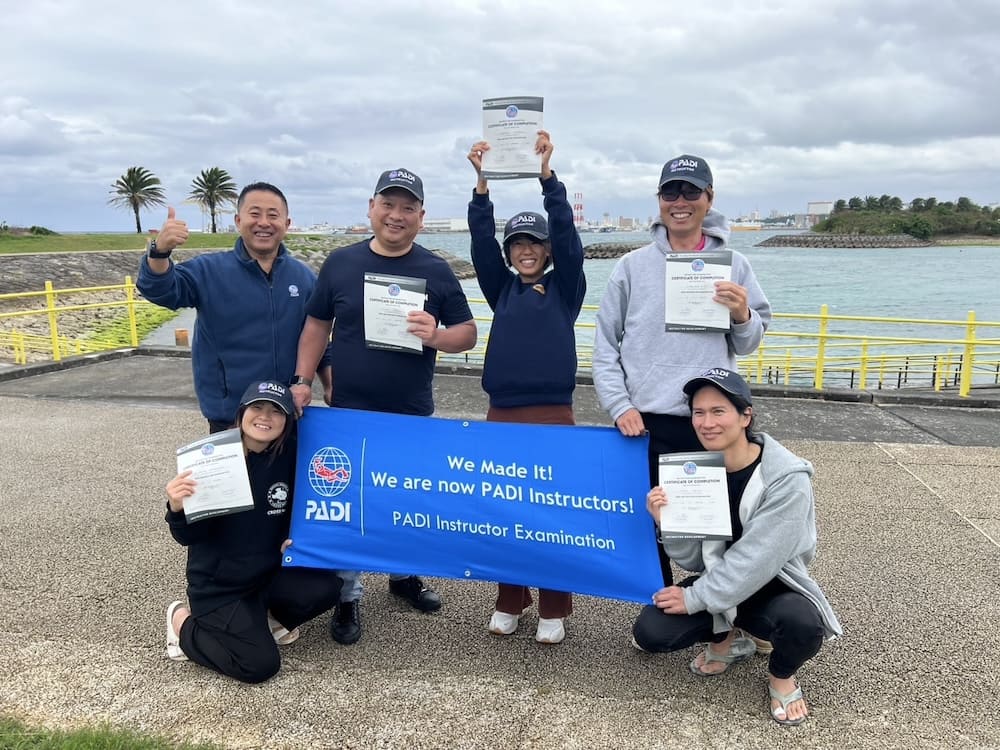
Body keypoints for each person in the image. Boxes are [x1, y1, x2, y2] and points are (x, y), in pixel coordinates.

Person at [291, 168, 477, 646]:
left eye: (407, 207)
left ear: (421, 216)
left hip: (410, 411)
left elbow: (468, 334)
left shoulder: (436, 270)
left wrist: (437, 336)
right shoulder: (341, 263)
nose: (397, 215)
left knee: (406, 497)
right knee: (351, 501)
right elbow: (316, 325)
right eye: (388, 204)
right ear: (371, 208)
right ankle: (347, 594)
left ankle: (403, 575)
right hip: (349, 411)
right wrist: (303, 380)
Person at [592, 154, 771, 587]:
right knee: (652, 522)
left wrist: (743, 314)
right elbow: (604, 344)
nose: (680, 201)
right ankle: (661, 604)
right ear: (659, 199)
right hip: (644, 421)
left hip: (710, 419)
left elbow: (748, 344)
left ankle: (720, 607)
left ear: (709, 198)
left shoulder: (734, 264)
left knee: (715, 523)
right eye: (671, 191)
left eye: (691, 191)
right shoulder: (631, 266)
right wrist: (619, 405)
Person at [631, 368, 842, 726]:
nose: (707, 423)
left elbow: (756, 560)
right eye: (699, 412)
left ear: (746, 416)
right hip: (721, 581)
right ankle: (733, 641)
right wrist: (669, 525)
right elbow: (694, 561)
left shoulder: (786, 479)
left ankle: (781, 675)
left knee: (803, 626)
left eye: (719, 411)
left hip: (774, 586)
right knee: (651, 633)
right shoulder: (697, 471)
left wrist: (694, 598)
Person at [466, 131, 586, 644]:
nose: (526, 250)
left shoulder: (566, 287)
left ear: (548, 249)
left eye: (535, 242)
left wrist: (548, 180)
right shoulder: (501, 289)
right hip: (503, 412)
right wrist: (481, 186)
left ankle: (555, 606)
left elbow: (568, 235)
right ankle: (510, 598)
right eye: (517, 244)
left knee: (551, 512)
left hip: (554, 413)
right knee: (505, 509)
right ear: (510, 253)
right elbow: (480, 245)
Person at [164, 380, 343, 683]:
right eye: (257, 407)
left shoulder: (291, 457)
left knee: (327, 588)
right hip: (221, 587)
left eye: (276, 411)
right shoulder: (213, 460)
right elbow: (187, 537)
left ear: (287, 420)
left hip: (266, 574)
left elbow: (302, 507)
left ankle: (267, 620)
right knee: (259, 665)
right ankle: (181, 624)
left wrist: (292, 540)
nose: (265, 417)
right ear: (241, 413)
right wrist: (177, 507)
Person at [137, 182, 330, 433]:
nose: (264, 223)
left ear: (287, 224)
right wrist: (159, 252)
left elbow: (318, 337)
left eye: (273, 215)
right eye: (254, 214)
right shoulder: (209, 271)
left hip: (286, 411)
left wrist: (328, 385)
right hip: (229, 414)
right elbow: (161, 290)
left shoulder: (303, 277)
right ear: (238, 221)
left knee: (288, 462)